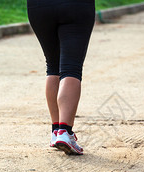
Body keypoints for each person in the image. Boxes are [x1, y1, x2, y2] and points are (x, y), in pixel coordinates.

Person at [27, 0, 95, 155]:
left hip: (39, 7)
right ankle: (65, 132)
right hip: (75, 7)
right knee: (71, 68)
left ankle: (56, 131)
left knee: (53, 66)